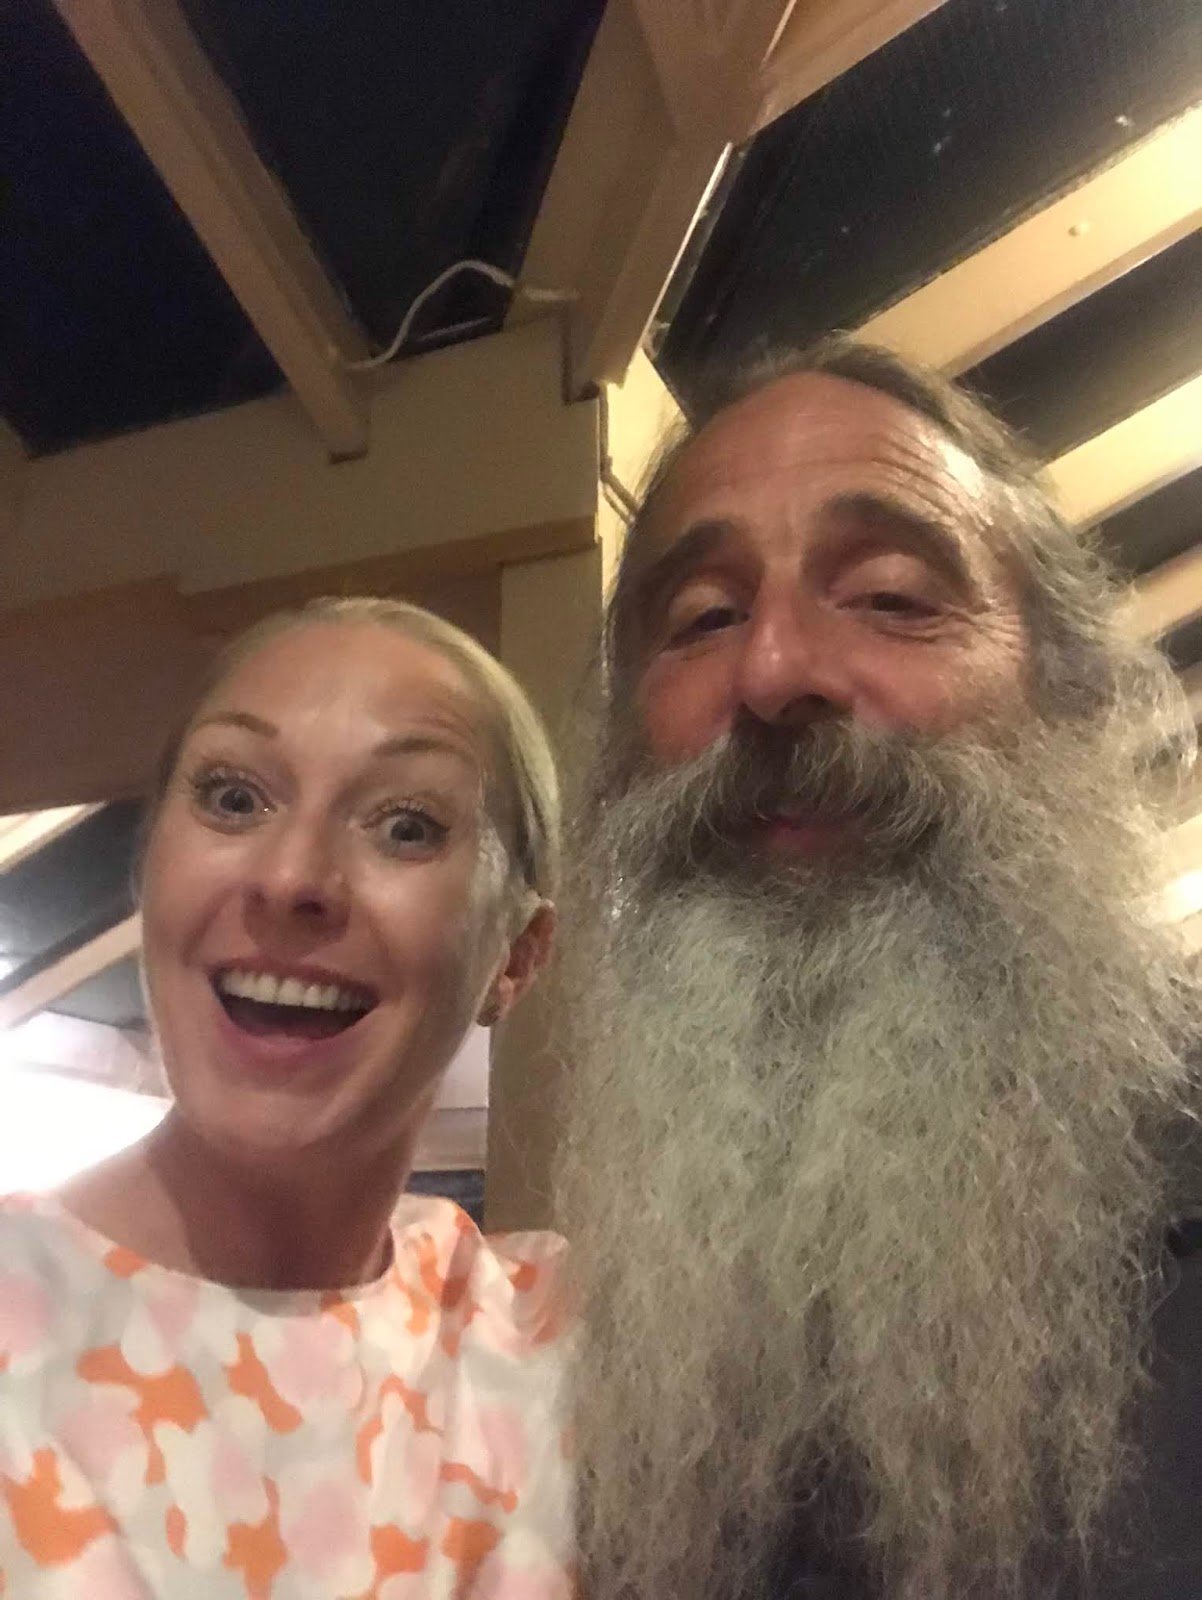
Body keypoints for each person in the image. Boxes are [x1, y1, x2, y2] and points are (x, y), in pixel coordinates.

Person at [554, 340, 1202, 1600]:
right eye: (703, 618)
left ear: (1066, 703)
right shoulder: (582, 1328)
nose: (772, 671)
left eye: (893, 598)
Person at [0, 596, 572, 1599]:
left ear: (515, 959)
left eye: (405, 825)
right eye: (233, 798)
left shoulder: (554, 1343)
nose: (291, 877)